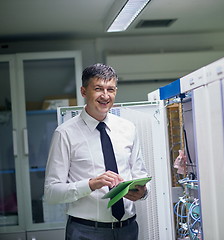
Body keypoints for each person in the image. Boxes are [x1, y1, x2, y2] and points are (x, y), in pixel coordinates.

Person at [44, 63, 149, 240]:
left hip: (128, 229)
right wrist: (91, 184)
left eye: (111, 89)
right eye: (98, 89)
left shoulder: (128, 128)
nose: (105, 96)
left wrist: (143, 192)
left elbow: (140, 174)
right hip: (86, 232)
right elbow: (52, 193)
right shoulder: (65, 134)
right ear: (84, 92)